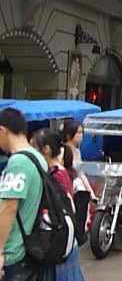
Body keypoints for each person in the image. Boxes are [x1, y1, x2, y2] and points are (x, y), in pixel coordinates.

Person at [0, 108, 50, 279]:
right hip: (30, 248)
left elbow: (9, 208)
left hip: (13, 254)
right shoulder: (37, 157)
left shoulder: (18, 162)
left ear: (2, 131)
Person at [31, 129, 85, 281]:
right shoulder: (58, 171)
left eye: (34, 148)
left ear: (46, 150)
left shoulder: (56, 176)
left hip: (61, 245)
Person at [62, 120, 96, 245]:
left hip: (79, 191)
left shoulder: (77, 152)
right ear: (68, 135)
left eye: (82, 133)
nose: (81, 136)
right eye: (78, 133)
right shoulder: (62, 151)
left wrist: (91, 192)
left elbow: (81, 173)